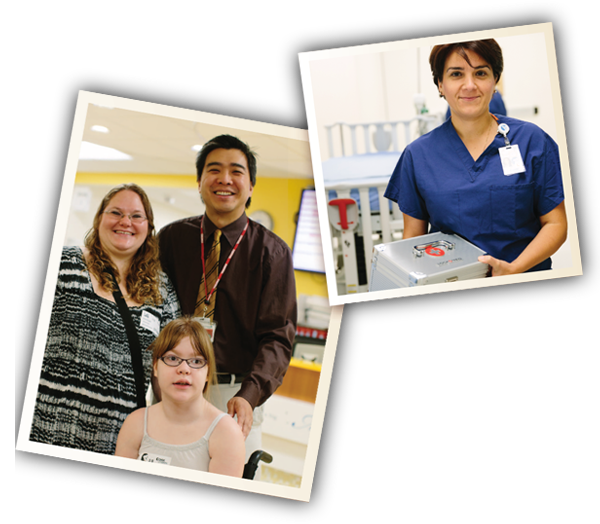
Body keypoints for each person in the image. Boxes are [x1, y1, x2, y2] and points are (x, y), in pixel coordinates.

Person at [158, 134, 297, 464]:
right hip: (172, 382)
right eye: (213, 169)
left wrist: (249, 395)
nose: (224, 179)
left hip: (233, 394)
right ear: (199, 182)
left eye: (236, 171)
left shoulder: (272, 253)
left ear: (250, 186)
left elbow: (278, 337)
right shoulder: (172, 239)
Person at [384, 39, 567, 275]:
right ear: (440, 84)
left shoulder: (533, 141)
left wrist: (513, 269)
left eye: (480, 73)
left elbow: (556, 224)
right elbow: (413, 241)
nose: (469, 85)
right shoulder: (417, 156)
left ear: (495, 80)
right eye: (456, 74)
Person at [30, 183, 181, 454]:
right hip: (47, 427)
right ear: (99, 218)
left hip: (119, 440)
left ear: (148, 227)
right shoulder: (64, 265)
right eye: (116, 212)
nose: (126, 222)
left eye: (136, 216)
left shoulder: (161, 291)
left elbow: (171, 361)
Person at [115, 317, 246, 476]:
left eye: (196, 361)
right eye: (172, 358)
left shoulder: (226, 433)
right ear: (156, 367)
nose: (184, 369)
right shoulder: (135, 423)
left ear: (207, 372)